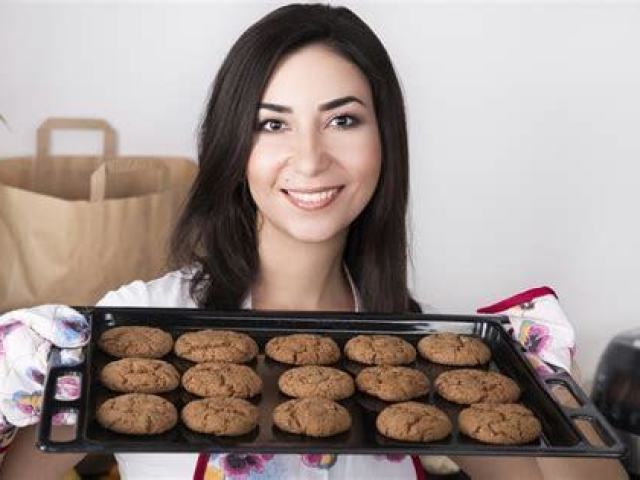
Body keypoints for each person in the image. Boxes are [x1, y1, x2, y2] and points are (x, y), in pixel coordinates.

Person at [0, 3, 628, 480]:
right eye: (272, 124)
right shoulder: (136, 328)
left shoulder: (424, 362)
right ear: (234, 149)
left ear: (386, 142)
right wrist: (8, 398)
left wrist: (548, 387)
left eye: (343, 120)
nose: (309, 158)